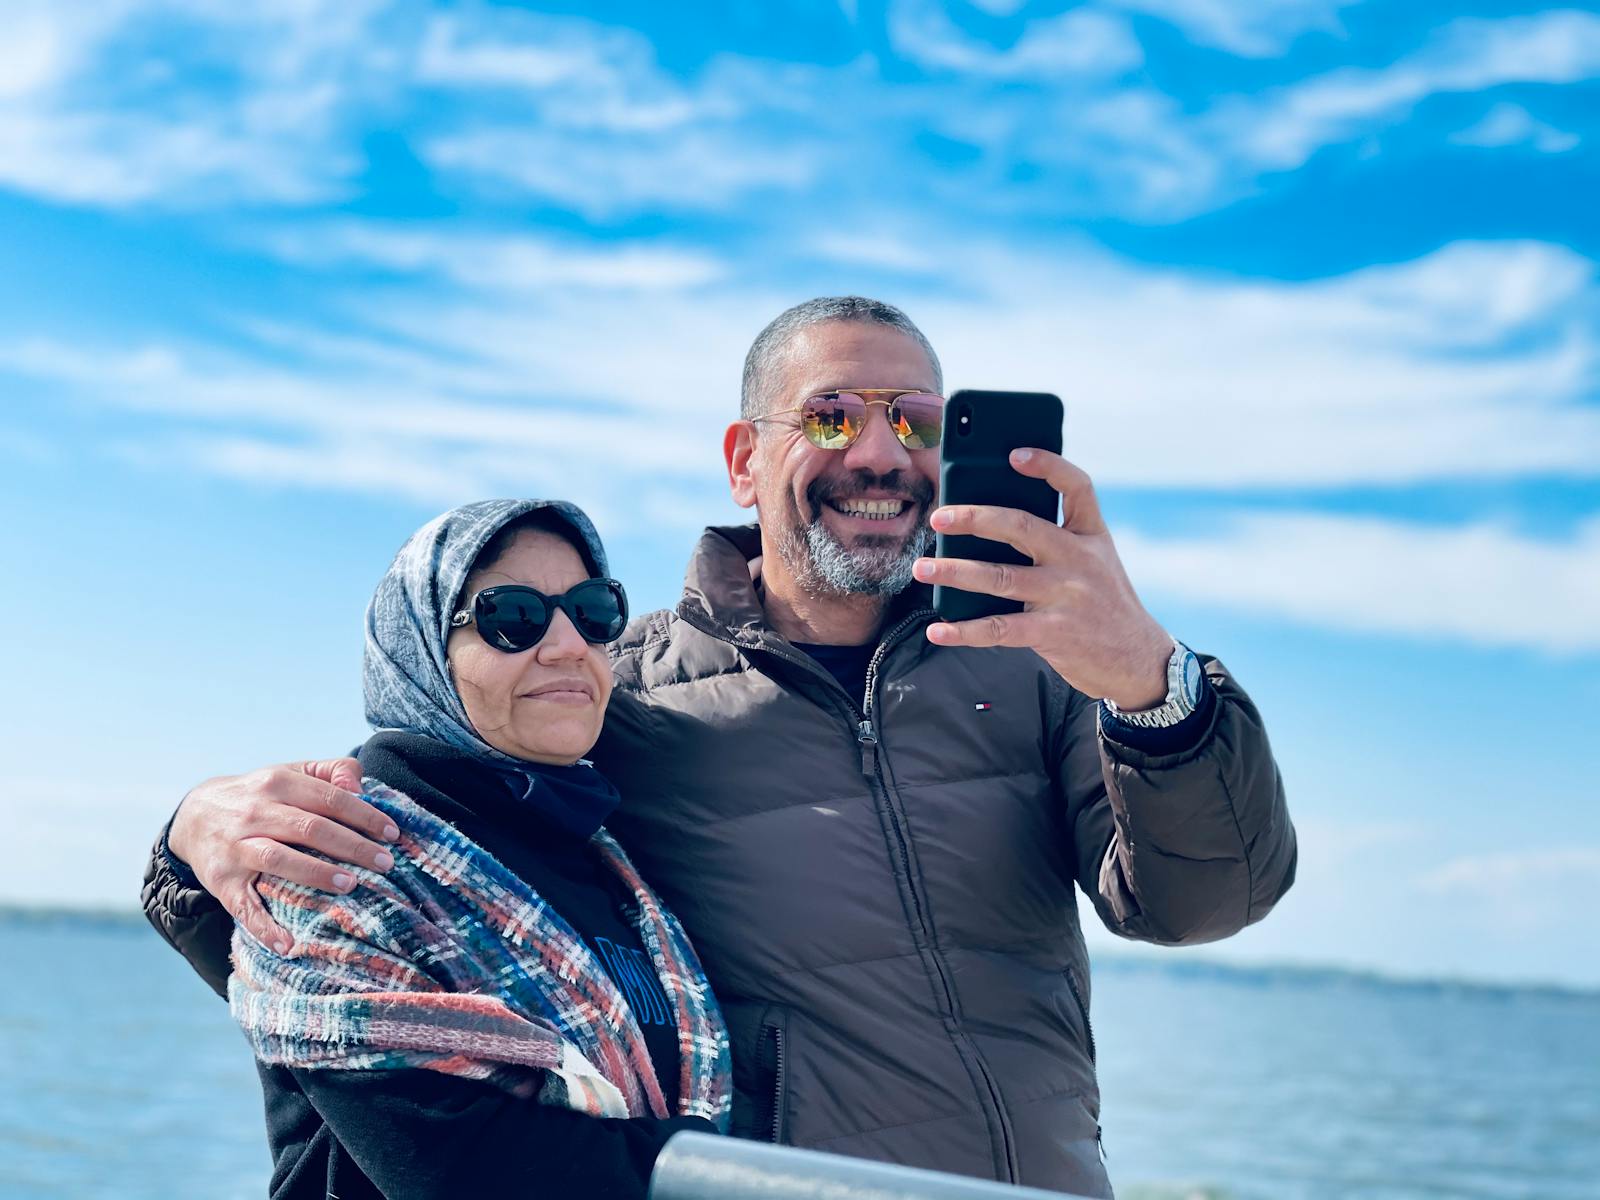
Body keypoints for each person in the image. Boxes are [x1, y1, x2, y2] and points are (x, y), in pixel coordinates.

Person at [143, 296, 1296, 1198]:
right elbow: (424, 842)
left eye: (916, 421)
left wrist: (1151, 684)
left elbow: (1200, 904)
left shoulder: (1047, 668)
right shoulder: (620, 692)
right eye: (834, 416)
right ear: (745, 459)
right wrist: (193, 828)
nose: (881, 455)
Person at [222, 498, 730, 1199]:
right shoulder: (340, 858)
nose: (566, 644)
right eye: (512, 617)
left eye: (592, 611)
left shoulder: (612, 858)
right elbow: (469, 1171)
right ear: (422, 651)